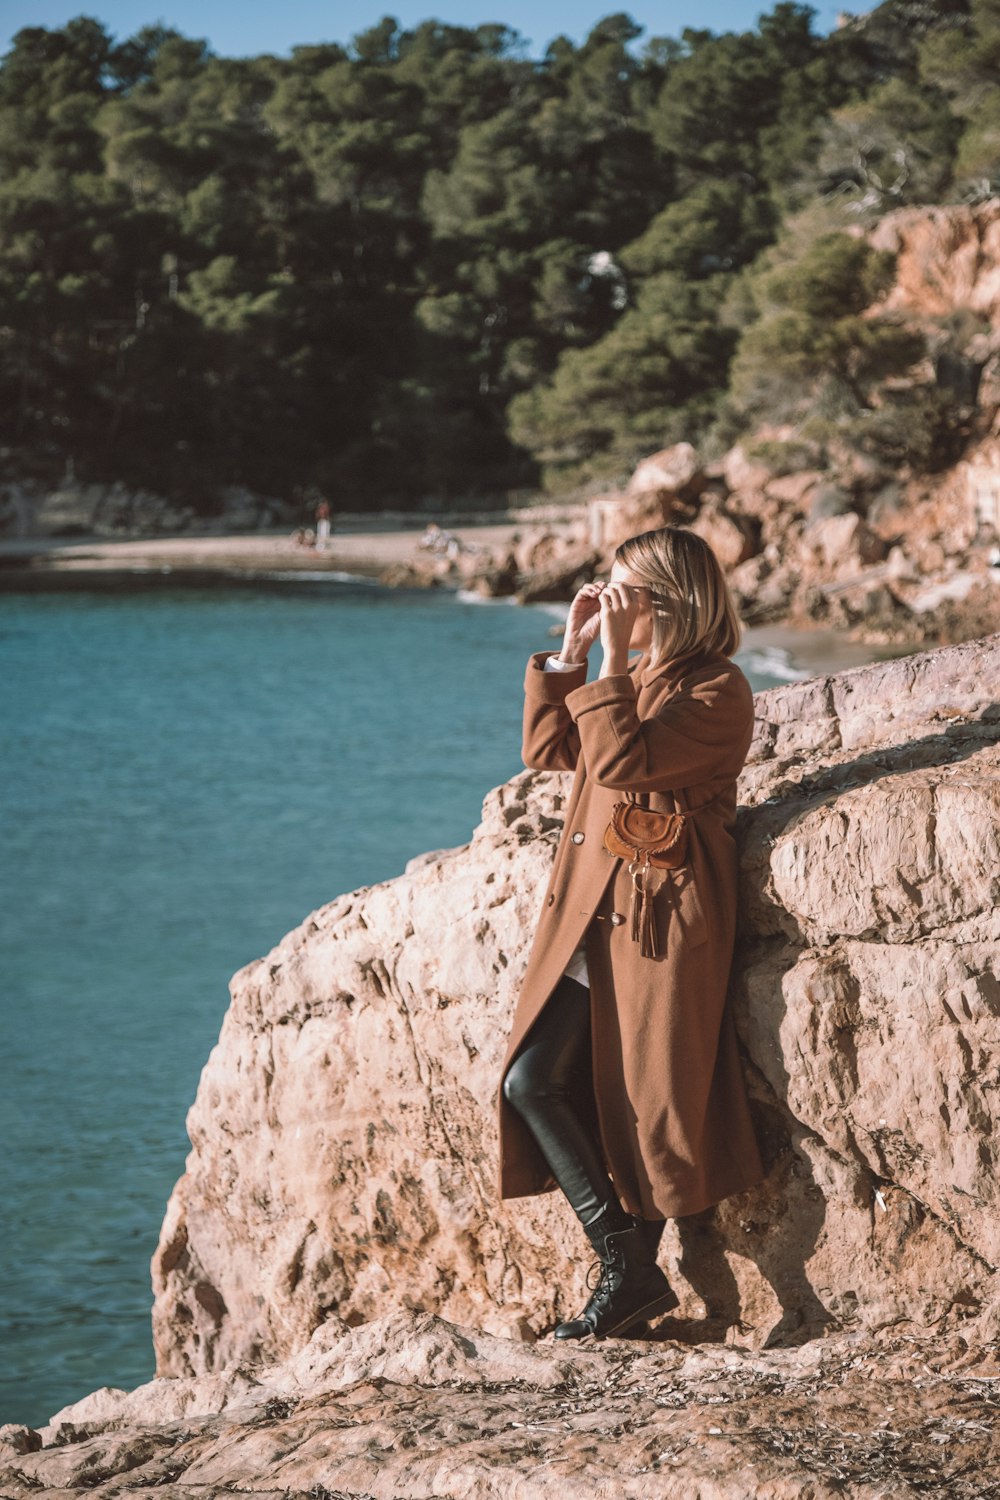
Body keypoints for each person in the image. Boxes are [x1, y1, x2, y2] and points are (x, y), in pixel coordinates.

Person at [496, 524, 764, 1341]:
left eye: (624, 592)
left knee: (638, 1100)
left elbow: (617, 764)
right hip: (591, 910)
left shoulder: (716, 691)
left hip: (657, 917)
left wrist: (612, 665)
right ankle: (630, 1269)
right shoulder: (641, 673)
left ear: (669, 603)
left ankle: (625, 1280)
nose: (610, 602)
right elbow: (552, 749)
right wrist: (574, 651)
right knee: (536, 1081)